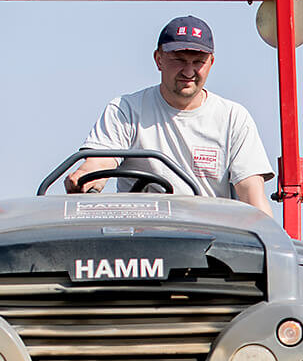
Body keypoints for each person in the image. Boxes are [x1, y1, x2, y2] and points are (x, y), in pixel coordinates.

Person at [66, 16, 274, 214]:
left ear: (211, 62)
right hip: (138, 238)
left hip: (207, 241)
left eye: (198, 62)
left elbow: (251, 195)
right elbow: (100, 162)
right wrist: (87, 177)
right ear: (159, 60)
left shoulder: (233, 118)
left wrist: (272, 244)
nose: (188, 71)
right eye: (179, 60)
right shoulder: (126, 109)